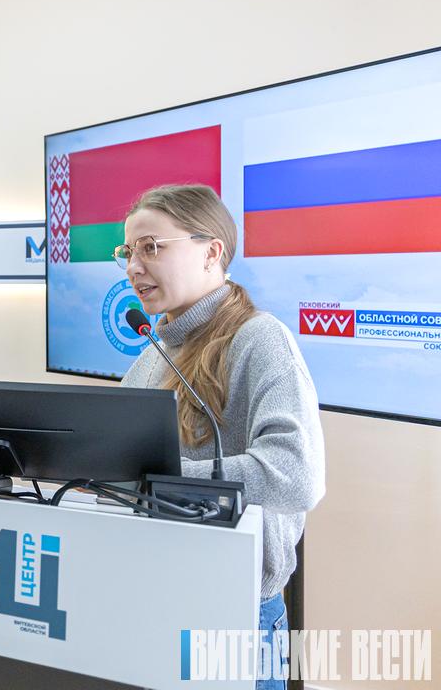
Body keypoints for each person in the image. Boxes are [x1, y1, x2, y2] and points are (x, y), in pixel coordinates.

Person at [116, 184, 325, 690]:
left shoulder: (261, 339)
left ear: (212, 252)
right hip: (155, 599)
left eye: (151, 247)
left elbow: (295, 475)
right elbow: (117, 457)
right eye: (128, 251)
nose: (134, 267)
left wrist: (159, 478)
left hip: (235, 615)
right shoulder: (154, 354)